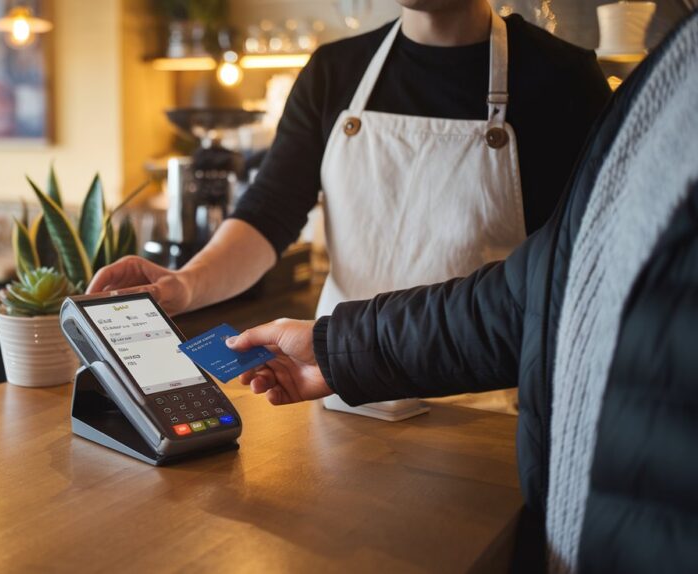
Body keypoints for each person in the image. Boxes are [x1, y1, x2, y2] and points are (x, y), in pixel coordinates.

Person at [222, 10, 698, 571]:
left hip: (487, 421)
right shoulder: (335, 69)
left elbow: (552, 300)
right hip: (344, 398)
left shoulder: (566, 77)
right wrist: (331, 348)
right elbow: (534, 293)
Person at [90, 0, 610, 412]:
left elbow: (570, 277)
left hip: (486, 408)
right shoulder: (333, 72)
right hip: (337, 386)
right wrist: (186, 283)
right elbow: (269, 213)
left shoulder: (563, 78)